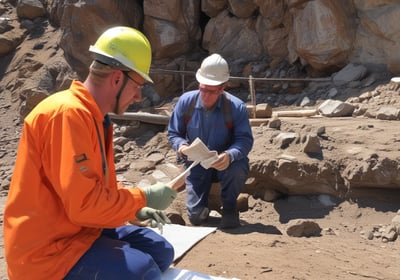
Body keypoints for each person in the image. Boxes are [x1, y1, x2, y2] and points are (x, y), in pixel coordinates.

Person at [3, 26, 179, 280]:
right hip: (47, 252)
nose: (139, 96)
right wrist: (143, 198)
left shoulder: (93, 116)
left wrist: (133, 211)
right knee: (143, 272)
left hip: (80, 230)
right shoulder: (68, 115)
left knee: (160, 251)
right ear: (117, 78)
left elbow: (93, 189)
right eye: (138, 85)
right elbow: (83, 206)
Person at [168, 53, 254, 229]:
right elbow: (173, 133)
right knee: (195, 218)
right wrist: (182, 147)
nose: (205, 94)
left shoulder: (236, 107)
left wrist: (230, 155)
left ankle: (230, 207)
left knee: (238, 167)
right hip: (197, 163)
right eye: (202, 88)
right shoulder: (186, 102)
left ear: (222, 88)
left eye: (211, 91)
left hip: (225, 163)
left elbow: (244, 140)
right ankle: (203, 208)